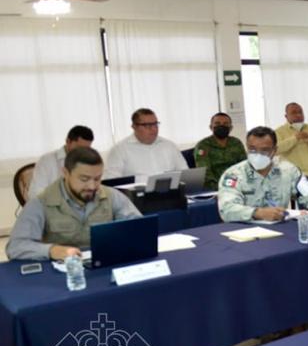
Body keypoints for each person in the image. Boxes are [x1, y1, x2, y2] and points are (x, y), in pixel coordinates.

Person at [7, 147, 141, 261]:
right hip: (64, 271)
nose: (92, 186)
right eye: (84, 179)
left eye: (97, 179)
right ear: (65, 173)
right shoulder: (41, 203)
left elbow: (139, 228)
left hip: (103, 263)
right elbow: (15, 247)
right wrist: (52, 250)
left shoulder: (111, 195)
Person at [218, 126, 308, 223]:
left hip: (280, 228)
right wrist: (258, 213)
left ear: (274, 150)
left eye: (264, 150)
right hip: (243, 230)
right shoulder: (233, 174)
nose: (258, 154)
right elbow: (227, 209)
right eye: (252, 150)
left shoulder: (289, 170)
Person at [105, 108, 187, 178]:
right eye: (147, 125)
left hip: (171, 190)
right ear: (134, 127)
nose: (153, 129)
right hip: (136, 191)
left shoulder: (169, 146)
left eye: (155, 124)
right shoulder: (119, 150)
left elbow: (185, 174)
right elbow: (112, 181)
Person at [27, 125, 94, 199]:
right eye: (79, 148)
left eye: (86, 149)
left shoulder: (88, 162)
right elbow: (34, 194)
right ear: (68, 141)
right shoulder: (47, 160)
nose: (82, 152)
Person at [193, 112, 246, 191]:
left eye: (225, 124)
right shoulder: (203, 146)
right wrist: (222, 187)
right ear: (211, 127)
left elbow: (244, 166)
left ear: (231, 128)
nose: (221, 126)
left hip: (237, 185)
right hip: (214, 188)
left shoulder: (236, 143)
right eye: (217, 123)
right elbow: (205, 173)